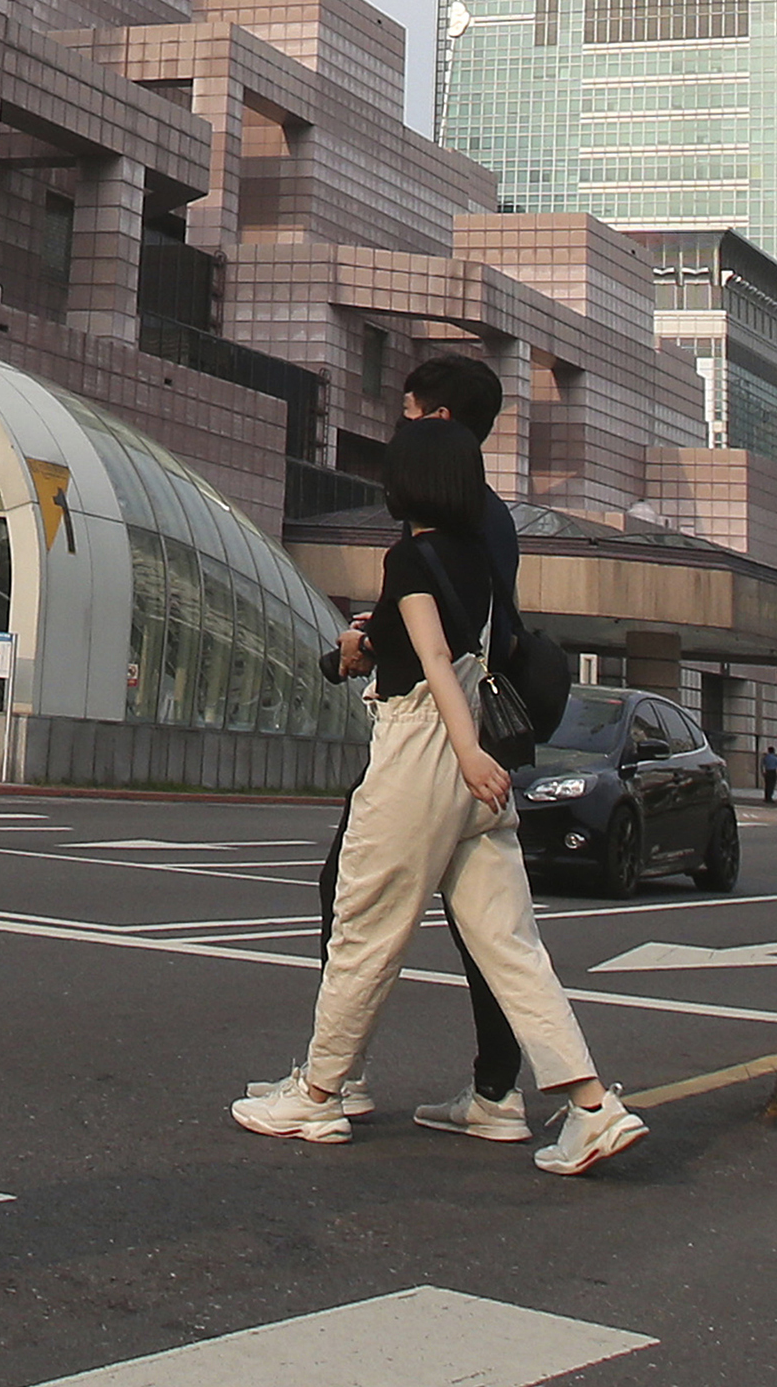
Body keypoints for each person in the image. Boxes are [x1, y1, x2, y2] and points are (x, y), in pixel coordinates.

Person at [238, 417, 639, 1176]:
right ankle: (592, 1108)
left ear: (405, 484)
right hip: (478, 762)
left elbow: (426, 657)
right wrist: (378, 652)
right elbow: (444, 645)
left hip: (426, 753)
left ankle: (319, 1094)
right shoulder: (478, 564)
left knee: (365, 925)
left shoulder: (411, 557)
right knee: (511, 948)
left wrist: (458, 751)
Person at [313, 354, 533, 1141]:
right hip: (472, 738)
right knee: (489, 925)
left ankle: (333, 1082)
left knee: (355, 896)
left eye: (408, 409)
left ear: (435, 419)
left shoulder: (446, 519)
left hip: (435, 738)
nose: (398, 422)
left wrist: (362, 648)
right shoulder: (488, 514)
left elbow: (439, 642)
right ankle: (501, 1093)